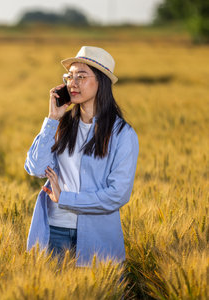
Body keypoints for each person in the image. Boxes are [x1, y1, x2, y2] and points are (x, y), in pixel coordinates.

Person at [25, 46, 139, 266]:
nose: (72, 83)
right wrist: (52, 119)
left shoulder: (122, 134)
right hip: (54, 232)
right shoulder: (61, 126)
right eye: (69, 76)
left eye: (81, 76)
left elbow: (118, 194)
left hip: (97, 237)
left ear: (101, 82)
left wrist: (65, 198)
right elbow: (36, 168)